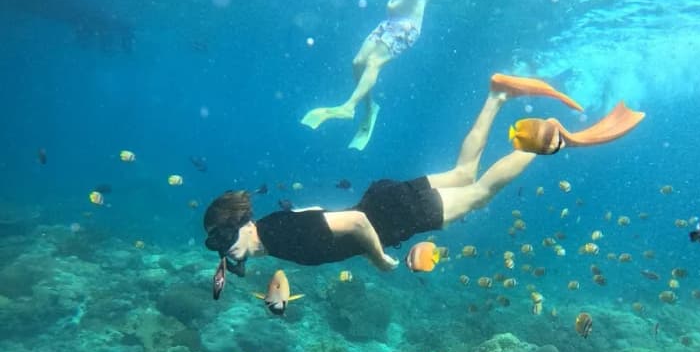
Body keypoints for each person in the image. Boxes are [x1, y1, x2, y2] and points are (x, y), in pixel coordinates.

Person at [204, 73, 645, 279]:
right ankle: (496, 95)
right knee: (464, 171)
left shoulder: (278, 237)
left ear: (241, 224)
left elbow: (355, 225)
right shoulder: (273, 229)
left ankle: (548, 138)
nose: (228, 252)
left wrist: (380, 260)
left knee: (481, 192)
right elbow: (321, 213)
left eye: (225, 241)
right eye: (220, 247)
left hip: (390, 217)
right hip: (383, 200)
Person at [300, 0, 441, 151]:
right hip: (388, 23)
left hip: (407, 27)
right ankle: (369, 107)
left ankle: (349, 107)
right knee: (357, 63)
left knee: (374, 62)